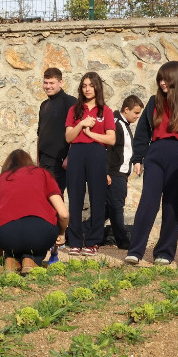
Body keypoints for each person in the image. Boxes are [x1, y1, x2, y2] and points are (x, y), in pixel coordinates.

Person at [126, 61, 178, 266]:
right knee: (148, 202)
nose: (163, 83)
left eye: (167, 79)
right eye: (160, 79)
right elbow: (142, 133)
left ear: (176, 78)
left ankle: (164, 252)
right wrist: (138, 158)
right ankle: (135, 251)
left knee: (173, 204)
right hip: (154, 154)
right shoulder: (154, 102)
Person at [0, 149, 70, 273]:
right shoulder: (43, 173)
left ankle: (11, 259)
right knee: (37, 239)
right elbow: (64, 214)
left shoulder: (0, 180)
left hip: (6, 236)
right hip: (39, 233)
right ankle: (31, 259)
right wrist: (61, 233)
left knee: (15, 244)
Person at [63, 71, 117, 255]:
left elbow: (111, 140)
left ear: (97, 87)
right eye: (84, 85)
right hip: (77, 152)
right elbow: (69, 137)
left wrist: (90, 134)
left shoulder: (106, 111)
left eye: (91, 85)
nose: (87, 89)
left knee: (97, 197)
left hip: (97, 152)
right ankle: (76, 241)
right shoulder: (74, 110)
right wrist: (82, 123)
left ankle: (93, 242)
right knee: (75, 198)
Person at [103, 94, 144, 250]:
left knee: (107, 210)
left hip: (120, 173)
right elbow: (108, 149)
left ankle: (79, 233)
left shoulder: (124, 124)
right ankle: (122, 240)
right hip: (115, 173)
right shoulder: (116, 124)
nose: (137, 116)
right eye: (135, 112)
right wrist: (106, 172)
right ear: (126, 109)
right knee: (116, 206)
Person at [37, 68, 78, 191]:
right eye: (46, 83)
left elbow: (75, 132)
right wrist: (38, 160)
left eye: (51, 83)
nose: (48, 86)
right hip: (44, 162)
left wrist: (69, 157)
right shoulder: (44, 105)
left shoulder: (70, 102)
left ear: (60, 83)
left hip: (60, 162)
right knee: (44, 200)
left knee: (55, 199)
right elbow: (40, 134)